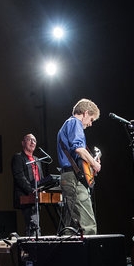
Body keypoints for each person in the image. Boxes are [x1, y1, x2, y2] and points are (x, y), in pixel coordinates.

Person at [56, 99, 101, 235]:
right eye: (91, 119)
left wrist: (90, 162)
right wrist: (94, 164)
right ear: (85, 113)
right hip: (73, 178)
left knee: (71, 227)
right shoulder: (75, 122)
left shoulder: (67, 125)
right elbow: (79, 149)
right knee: (88, 226)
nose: (90, 124)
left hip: (68, 176)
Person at [11, 133, 51, 236]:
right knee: (32, 224)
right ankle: (33, 242)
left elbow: (41, 178)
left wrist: (42, 189)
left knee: (35, 224)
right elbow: (19, 177)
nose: (32, 142)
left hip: (37, 195)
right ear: (23, 143)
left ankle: (34, 241)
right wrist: (32, 190)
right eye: (30, 140)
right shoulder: (18, 157)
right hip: (26, 196)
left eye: (34, 141)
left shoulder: (37, 160)